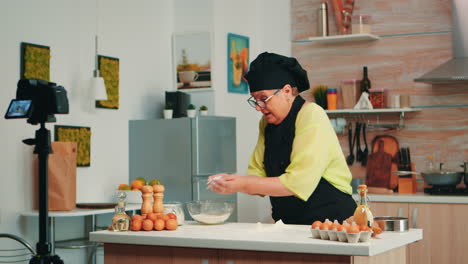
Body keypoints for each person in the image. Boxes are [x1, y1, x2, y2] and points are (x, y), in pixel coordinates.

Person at [208, 52, 356, 225]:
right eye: (255, 100)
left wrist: (242, 184)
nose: (259, 108)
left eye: (263, 99)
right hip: (289, 225)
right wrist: (230, 181)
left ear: (286, 91)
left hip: (334, 224)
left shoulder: (311, 115)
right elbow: (257, 173)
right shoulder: (266, 124)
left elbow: (297, 183)